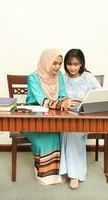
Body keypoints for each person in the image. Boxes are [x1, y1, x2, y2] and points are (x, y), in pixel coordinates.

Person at [59, 49, 108, 189]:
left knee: (72, 132)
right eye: (69, 64)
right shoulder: (62, 78)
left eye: (76, 64)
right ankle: (64, 171)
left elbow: (101, 96)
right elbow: (57, 97)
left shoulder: (89, 78)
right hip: (66, 116)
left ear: (81, 64)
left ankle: (74, 174)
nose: (72, 67)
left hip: (84, 117)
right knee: (64, 130)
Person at [23, 48, 77, 185]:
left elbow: (63, 94)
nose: (58, 67)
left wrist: (66, 101)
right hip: (32, 118)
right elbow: (41, 100)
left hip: (53, 117)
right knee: (46, 138)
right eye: (54, 63)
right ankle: (43, 174)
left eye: (60, 63)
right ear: (46, 62)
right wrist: (60, 104)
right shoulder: (33, 78)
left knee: (57, 134)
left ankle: (56, 173)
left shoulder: (58, 76)